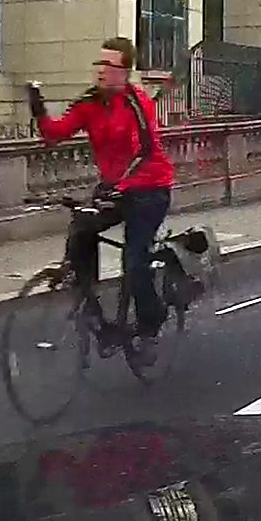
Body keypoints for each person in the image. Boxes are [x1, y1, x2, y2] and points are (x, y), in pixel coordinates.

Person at [28, 37, 174, 365]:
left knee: (135, 260)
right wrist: (38, 107)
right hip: (115, 187)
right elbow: (56, 131)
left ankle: (151, 325)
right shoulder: (90, 102)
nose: (102, 71)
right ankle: (92, 307)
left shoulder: (137, 103)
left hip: (150, 188)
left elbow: (145, 150)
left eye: (110, 65)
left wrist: (121, 184)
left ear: (125, 72)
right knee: (81, 229)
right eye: (100, 64)